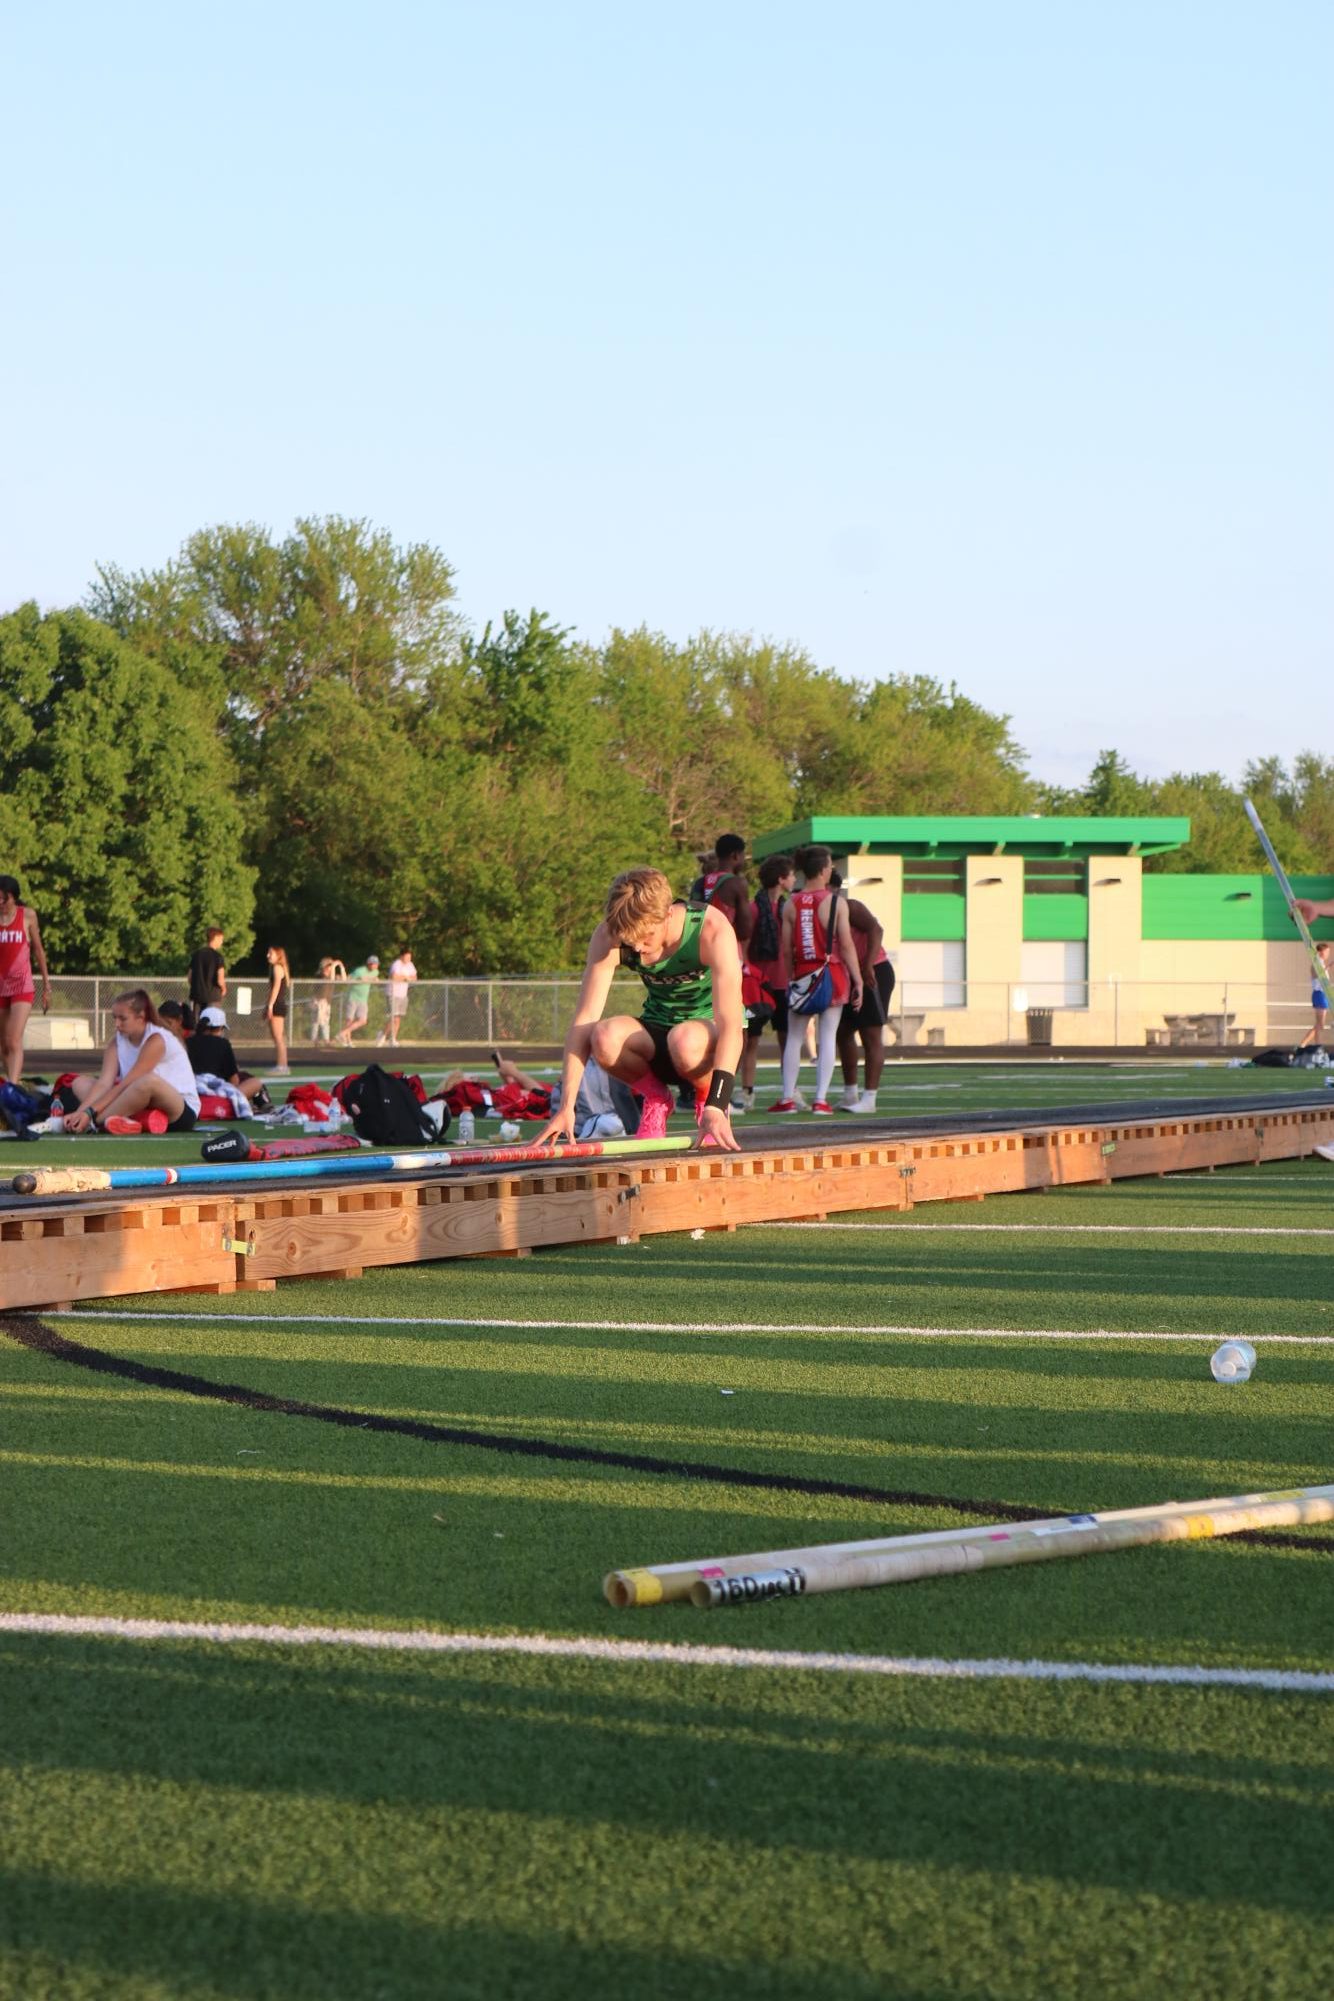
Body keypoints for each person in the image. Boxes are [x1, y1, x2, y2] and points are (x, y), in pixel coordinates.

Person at [536, 866, 743, 1151]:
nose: (638, 947)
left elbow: (732, 1025)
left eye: (646, 937)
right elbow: (584, 1020)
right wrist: (566, 1106)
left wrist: (717, 1104)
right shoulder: (611, 936)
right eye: (630, 940)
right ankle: (657, 1098)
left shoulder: (711, 930)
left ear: (668, 914)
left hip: (705, 1039)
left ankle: (703, 1098)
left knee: (684, 1040)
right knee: (604, 1036)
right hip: (659, 1029)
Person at [771, 846, 862, 1114]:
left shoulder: (791, 903)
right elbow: (846, 944)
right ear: (824, 870)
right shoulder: (835, 903)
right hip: (831, 973)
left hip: (801, 974)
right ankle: (821, 1100)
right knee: (828, 1035)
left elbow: (786, 949)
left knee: (794, 1037)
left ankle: (788, 1097)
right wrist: (857, 979)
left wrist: (790, 977)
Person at [63, 989, 201, 1135]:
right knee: (80, 1082)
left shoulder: (156, 1039)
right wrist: (79, 1112)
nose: (116, 1024)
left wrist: (90, 1114)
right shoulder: (116, 1042)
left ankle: (96, 1123)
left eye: (122, 1018)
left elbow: (127, 1083)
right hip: (139, 1102)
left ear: (140, 1017)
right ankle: (128, 1121)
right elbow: (104, 1083)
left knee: (148, 1082)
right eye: (114, 1018)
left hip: (179, 1109)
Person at [830, 870, 894, 1113]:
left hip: (873, 970)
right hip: (849, 976)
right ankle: (850, 1093)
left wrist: (867, 965)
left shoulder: (850, 906)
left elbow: (876, 930)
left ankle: (870, 1098)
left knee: (871, 1034)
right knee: (843, 1031)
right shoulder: (821, 913)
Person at [739, 854, 795, 1112]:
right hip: (758, 986)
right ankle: (746, 1092)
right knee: (750, 1040)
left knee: (787, 1038)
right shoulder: (753, 908)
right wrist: (750, 974)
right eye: (791, 875)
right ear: (781, 879)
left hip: (783, 984)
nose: (794, 879)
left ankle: (789, 1091)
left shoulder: (788, 907)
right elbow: (744, 946)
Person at [0, 874, 51, 1084]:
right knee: (3, 1043)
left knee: (13, 1039)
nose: (1, 904)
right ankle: (13, 1081)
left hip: (22, 985)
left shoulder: (27, 915)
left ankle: (12, 1086)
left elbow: (38, 950)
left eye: (4, 899)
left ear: (14, 897)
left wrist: (47, 985)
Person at [186, 1005, 271, 1106]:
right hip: (218, 1096)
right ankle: (228, 1105)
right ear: (220, 1027)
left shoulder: (187, 1042)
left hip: (193, 1095)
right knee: (255, 1083)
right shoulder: (223, 1043)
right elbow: (234, 1081)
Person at [690, 834, 754, 952]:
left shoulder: (699, 883)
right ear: (735, 855)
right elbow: (745, 931)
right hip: (726, 951)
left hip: (700, 953)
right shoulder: (737, 883)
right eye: (743, 856)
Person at [1298, 941, 1333, 1050]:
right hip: (1320, 994)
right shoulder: (1317, 963)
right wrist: (1329, 967)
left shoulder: (1321, 964)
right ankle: (1302, 1044)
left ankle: (1317, 1045)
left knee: (1319, 1025)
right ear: (1321, 952)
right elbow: (1317, 974)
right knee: (1320, 1025)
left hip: (1322, 994)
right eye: (1327, 952)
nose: (1328, 954)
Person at [380, 948, 417, 1046]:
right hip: (393, 993)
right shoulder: (396, 964)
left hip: (403, 995)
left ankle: (393, 1039)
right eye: (407, 956)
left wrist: (407, 978)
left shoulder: (410, 965)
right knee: (394, 1017)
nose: (409, 958)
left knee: (398, 1018)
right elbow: (394, 977)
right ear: (402, 956)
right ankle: (383, 1035)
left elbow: (414, 978)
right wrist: (405, 977)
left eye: (410, 956)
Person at [338, 956, 378, 1045]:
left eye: (376, 964)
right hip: (353, 997)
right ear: (368, 964)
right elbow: (349, 978)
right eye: (372, 964)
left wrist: (372, 980)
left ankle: (343, 1033)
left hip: (363, 999)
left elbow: (374, 979)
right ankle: (348, 1041)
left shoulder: (375, 972)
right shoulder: (359, 971)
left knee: (363, 1020)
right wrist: (359, 979)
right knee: (349, 1019)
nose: (374, 966)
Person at [264, 946, 291, 1073]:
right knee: (278, 1037)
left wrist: (270, 1006)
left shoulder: (277, 968)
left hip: (277, 1005)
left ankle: (282, 1066)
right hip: (277, 1004)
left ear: (278, 955)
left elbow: (275, 988)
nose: (268, 955)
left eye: (271, 953)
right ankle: (283, 1065)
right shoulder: (278, 968)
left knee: (278, 1037)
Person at [187, 928, 227, 1012]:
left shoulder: (196, 955)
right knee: (211, 1022)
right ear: (215, 938)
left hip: (197, 996)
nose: (222, 942)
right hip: (213, 997)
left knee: (197, 1023)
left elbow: (189, 977)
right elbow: (220, 980)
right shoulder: (218, 957)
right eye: (221, 939)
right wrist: (223, 988)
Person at [311, 956, 345, 1043]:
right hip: (319, 1001)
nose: (330, 967)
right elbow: (331, 980)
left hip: (326, 1002)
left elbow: (344, 980)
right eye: (329, 966)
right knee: (318, 1021)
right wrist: (334, 966)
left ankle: (325, 1039)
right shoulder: (320, 975)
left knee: (325, 1021)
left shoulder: (331, 975)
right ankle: (315, 1039)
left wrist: (341, 967)